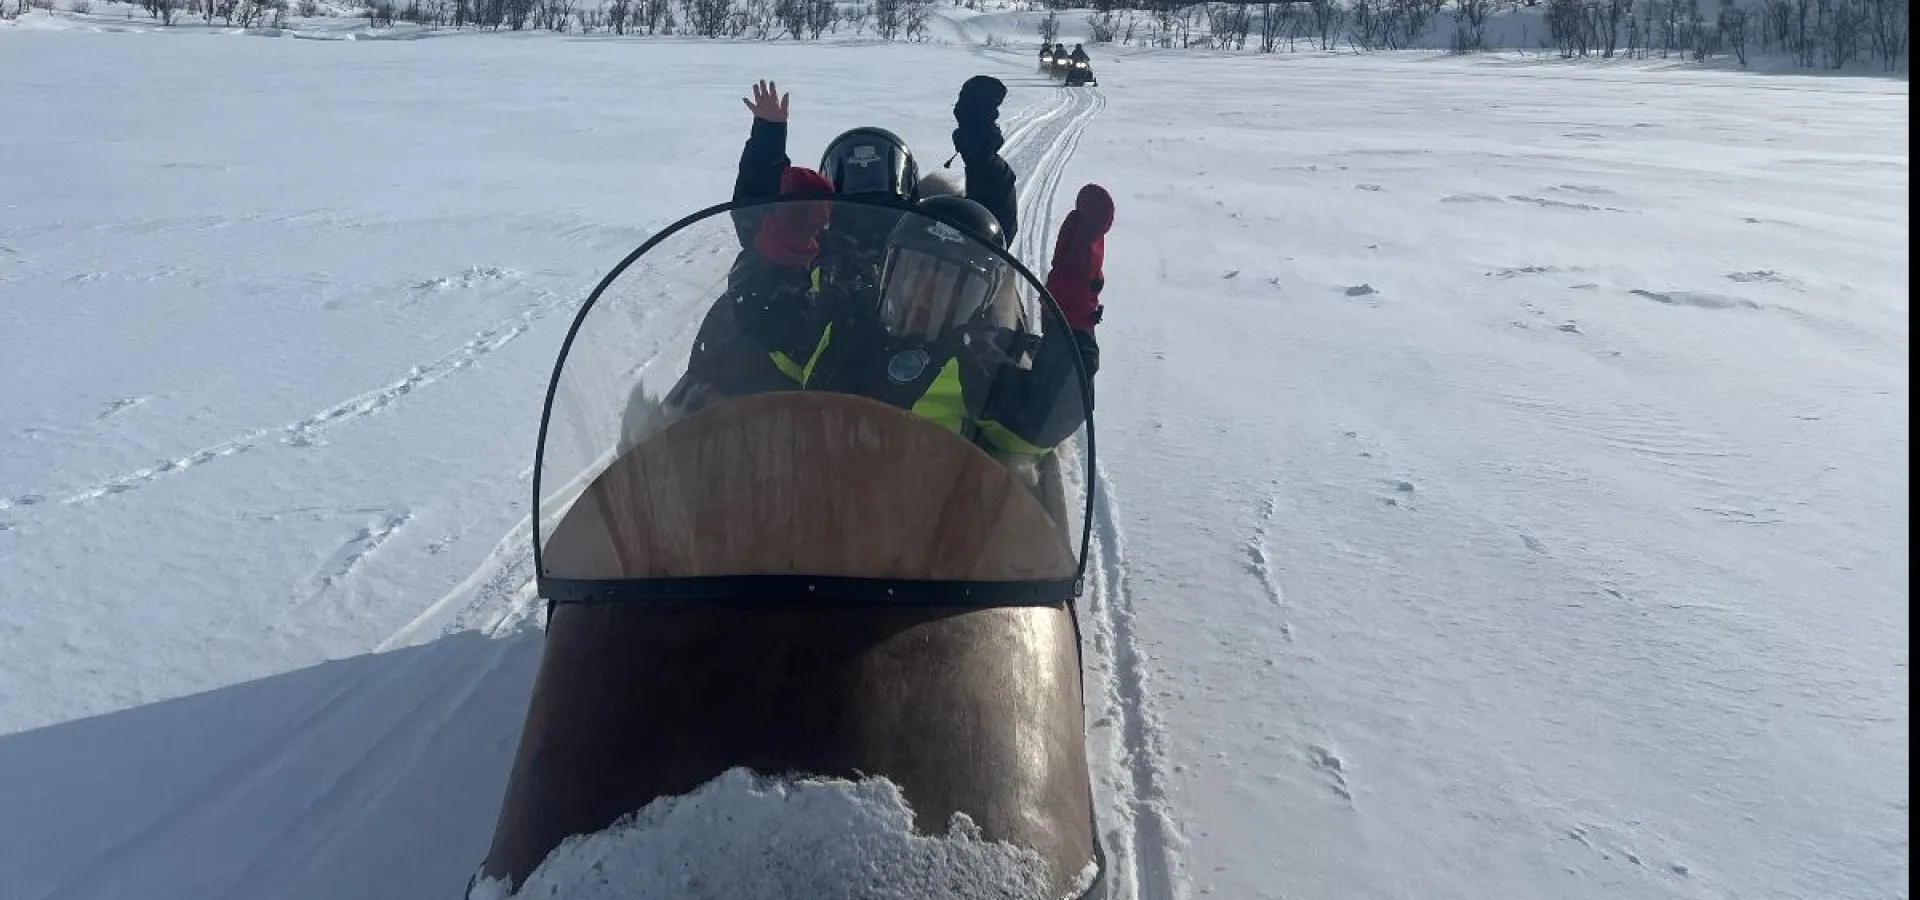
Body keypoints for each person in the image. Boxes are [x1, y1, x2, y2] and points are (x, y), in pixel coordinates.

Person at [793, 195, 1095, 457]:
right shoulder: (844, 325)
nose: (926, 294)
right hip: (801, 498)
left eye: (950, 283)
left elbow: (1041, 424)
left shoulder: (974, 364)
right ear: (888, 269)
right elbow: (761, 334)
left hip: (911, 514)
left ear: (980, 300)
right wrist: (778, 253)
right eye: (914, 271)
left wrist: (1072, 318)